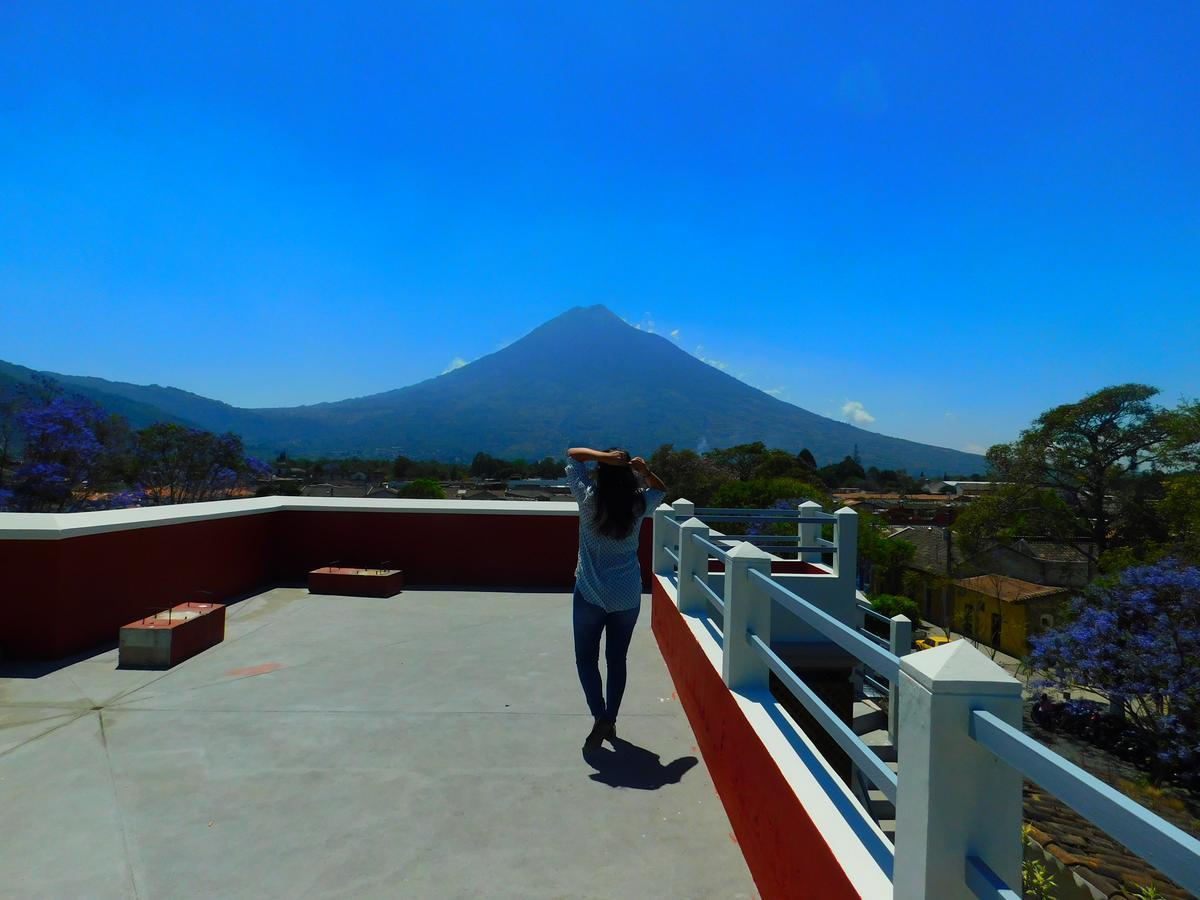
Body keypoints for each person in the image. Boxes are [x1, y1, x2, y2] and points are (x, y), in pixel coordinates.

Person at [565, 446, 667, 751]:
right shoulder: (637, 505)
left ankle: (600, 717)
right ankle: (610, 717)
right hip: (626, 595)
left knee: (586, 658)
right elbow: (661, 490)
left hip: (589, 592)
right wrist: (644, 470)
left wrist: (602, 457)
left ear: (603, 470)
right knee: (617, 659)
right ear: (626, 474)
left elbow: (572, 455)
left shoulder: (588, 499)